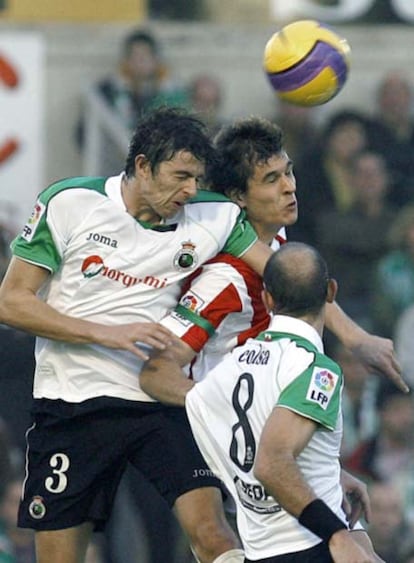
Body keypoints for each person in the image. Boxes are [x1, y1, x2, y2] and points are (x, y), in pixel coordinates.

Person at [0, 106, 276, 563]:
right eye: (180, 176)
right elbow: (11, 303)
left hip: (159, 401)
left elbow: (287, 277)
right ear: (143, 166)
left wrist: (354, 335)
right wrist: (106, 333)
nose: (189, 190)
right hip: (73, 403)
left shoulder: (215, 217)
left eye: (197, 178)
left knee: (212, 534)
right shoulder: (70, 203)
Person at [144, 242, 381, 561]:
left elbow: (249, 433)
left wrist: (328, 473)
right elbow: (271, 462)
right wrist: (337, 534)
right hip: (313, 546)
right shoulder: (316, 369)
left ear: (267, 299)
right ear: (330, 292)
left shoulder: (230, 368)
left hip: (260, 551)